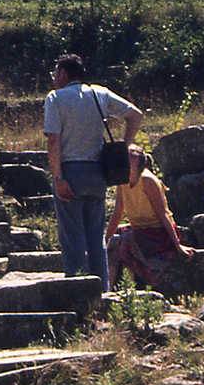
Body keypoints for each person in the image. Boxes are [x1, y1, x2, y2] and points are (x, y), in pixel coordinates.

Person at [43, 53, 143, 291]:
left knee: (73, 239)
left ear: (63, 73)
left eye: (54, 73)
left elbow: (53, 141)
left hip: (70, 172)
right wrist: (125, 145)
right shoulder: (100, 93)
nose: (53, 78)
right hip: (97, 174)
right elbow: (135, 115)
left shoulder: (55, 98)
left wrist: (58, 177)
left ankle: (80, 294)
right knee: (96, 239)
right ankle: (103, 293)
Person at [105, 152, 194, 289]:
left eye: (130, 155)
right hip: (139, 232)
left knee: (126, 240)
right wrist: (106, 239)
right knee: (115, 241)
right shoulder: (122, 180)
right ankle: (108, 289)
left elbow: (162, 214)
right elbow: (118, 212)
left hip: (158, 233)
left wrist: (177, 245)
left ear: (137, 160)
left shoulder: (147, 180)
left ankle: (126, 287)